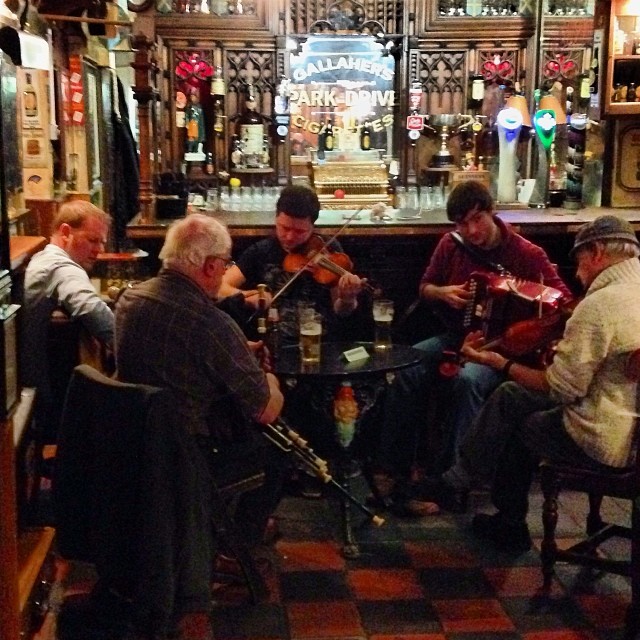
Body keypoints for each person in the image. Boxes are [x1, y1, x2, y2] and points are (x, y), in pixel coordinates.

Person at [408, 215, 640, 553]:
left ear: (598, 252)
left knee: (518, 424)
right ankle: (477, 496)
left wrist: (500, 362)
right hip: (629, 424)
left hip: (602, 436)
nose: (577, 273)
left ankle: (496, 513)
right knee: (512, 395)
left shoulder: (600, 305)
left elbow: (561, 389)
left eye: (579, 261)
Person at [375, 180, 572, 514]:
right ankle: (393, 467)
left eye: (477, 220)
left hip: (502, 351)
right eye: (462, 224)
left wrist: (528, 327)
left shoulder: (527, 254)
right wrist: (443, 293)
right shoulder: (451, 245)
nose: (470, 230)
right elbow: (425, 287)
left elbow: (564, 304)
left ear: (492, 212)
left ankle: (450, 480)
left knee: (468, 381)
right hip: (456, 337)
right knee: (404, 366)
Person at [115, 213, 285, 551]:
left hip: (133, 443)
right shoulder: (209, 321)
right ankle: (235, 545)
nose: (225, 272)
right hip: (188, 454)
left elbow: (177, 359)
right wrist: (271, 378)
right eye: (224, 265)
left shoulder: (129, 300)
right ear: (209, 266)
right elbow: (266, 409)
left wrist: (238, 352)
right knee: (278, 452)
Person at [219, 183, 368, 344]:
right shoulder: (261, 251)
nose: (289, 237)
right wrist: (249, 298)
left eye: (299, 231)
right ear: (276, 219)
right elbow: (219, 287)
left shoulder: (329, 251)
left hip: (320, 342)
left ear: (312, 227)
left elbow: (341, 311)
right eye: (284, 228)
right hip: (271, 343)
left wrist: (347, 299)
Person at [21, 200, 114, 442]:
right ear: (65, 233)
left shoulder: (41, 259)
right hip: (44, 396)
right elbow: (90, 308)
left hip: (32, 388)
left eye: (102, 242)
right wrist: (130, 347)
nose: (99, 249)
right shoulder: (60, 266)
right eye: (93, 240)